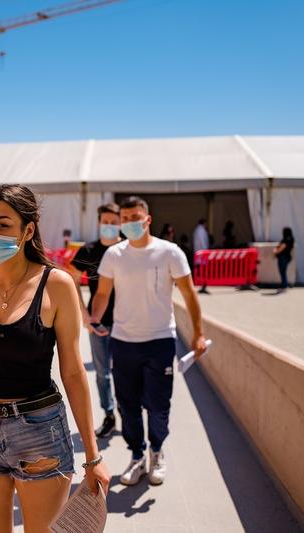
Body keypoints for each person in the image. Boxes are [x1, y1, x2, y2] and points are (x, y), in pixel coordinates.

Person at [0, 184, 111, 532]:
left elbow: (73, 372)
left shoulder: (56, 285)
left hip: (39, 430)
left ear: (28, 230)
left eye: (2, 224)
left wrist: (93, 456)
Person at [90, 196, 206, 487]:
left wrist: (198, 333)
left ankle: (157, 451)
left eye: (135, 217)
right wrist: (95, 319)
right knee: (127, 405)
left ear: (147, 219)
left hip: (159, 341)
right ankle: (137, 456)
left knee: (157, 405)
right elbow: (102, 293)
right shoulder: (114, 255)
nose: (129, 223)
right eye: (125, 218)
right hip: (123, 341)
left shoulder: (170, 253)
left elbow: (190, 295)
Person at [68, 203, 122, 439]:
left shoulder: (128, 249)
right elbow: (71, 279)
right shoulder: (88, 250)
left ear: (120, 223)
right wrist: (84, 315)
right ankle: (109, 415)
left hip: (126, 323)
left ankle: (128, 414)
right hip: (98, 322)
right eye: (105, 222)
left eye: (114, 222)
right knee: (102, 373)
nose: (109, 226)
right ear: (99, 222)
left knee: (125, 372)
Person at [273, 227, 295, 292]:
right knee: (283, 271)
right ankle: (284, 284)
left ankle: (284, 285)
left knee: (282, 271)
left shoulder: (286, 239)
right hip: (287, 257)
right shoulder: (291, 239)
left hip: (283, 257)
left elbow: (282, 247)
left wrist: (275, 252)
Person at [193, 218, 210, 294]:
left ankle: (202, 284)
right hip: (202, 254)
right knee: (202, 270)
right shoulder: (201, 231)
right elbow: (202, 242)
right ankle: (203, 284)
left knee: (200, 269)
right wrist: (206, 252)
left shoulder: (197, 230)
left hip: (199, 253)